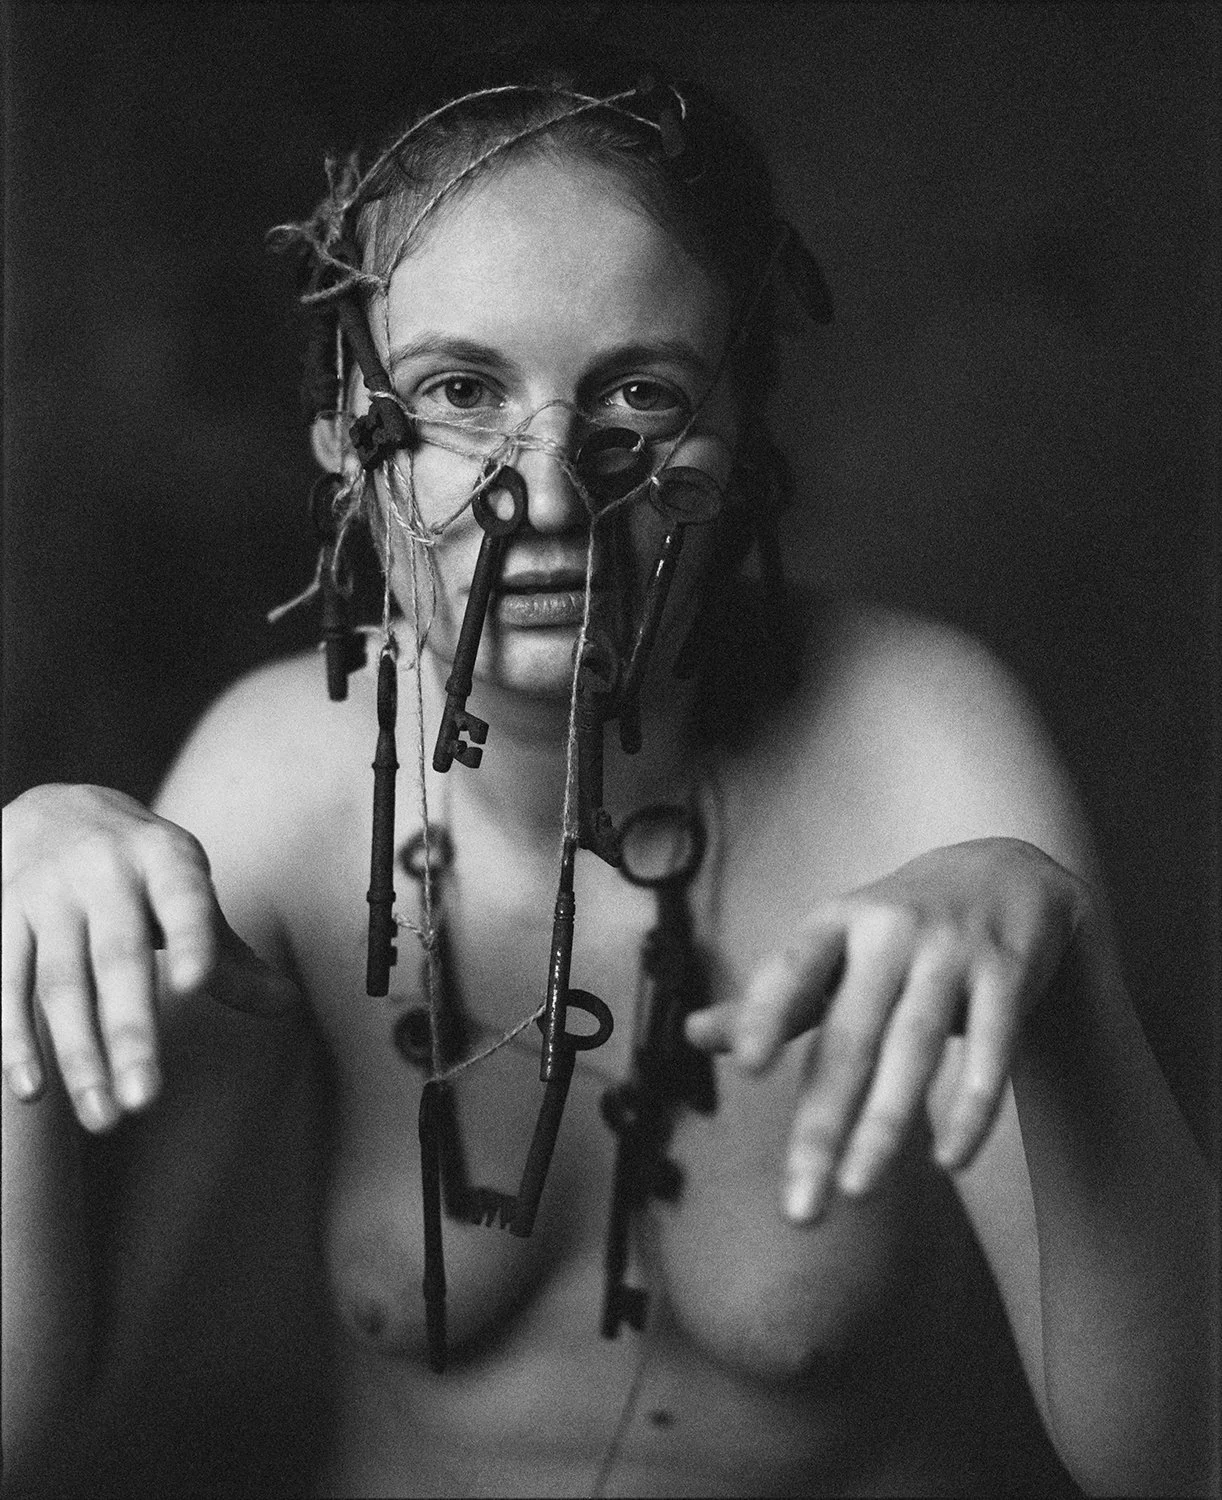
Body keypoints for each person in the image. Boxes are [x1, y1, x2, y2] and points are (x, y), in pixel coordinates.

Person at [2, 38, 1215, 1500]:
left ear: (741, 430)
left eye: (638, 396)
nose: (553, 496)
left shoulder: (919, 744)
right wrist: (7, 968)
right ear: (345, 441)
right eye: (457, 391)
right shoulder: (286, 776)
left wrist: (1062, 984)